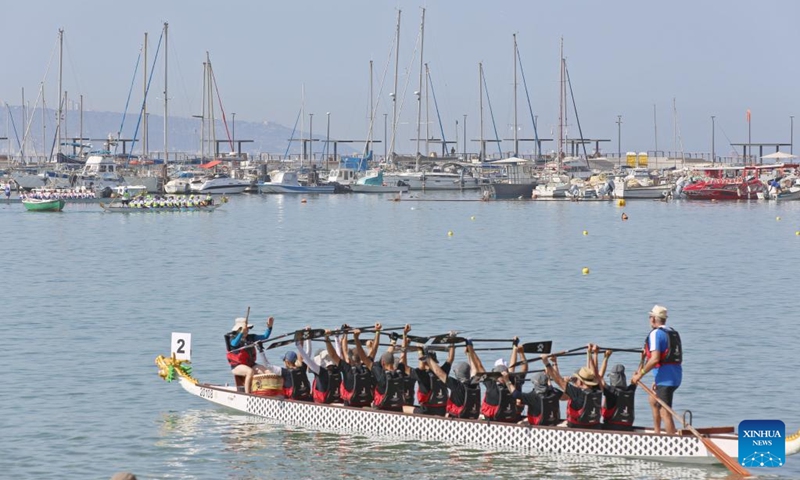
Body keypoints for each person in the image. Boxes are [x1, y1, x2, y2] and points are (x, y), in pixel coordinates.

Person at [632, 304, 682, 434]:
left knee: (665, 412)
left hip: (667, 379)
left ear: (654, 319)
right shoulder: (671, 331)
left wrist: (640, 374)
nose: (649, 320)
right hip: (674, 376)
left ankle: (673, 443)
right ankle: (657, 432)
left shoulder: (655, 334)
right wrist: (657, 379)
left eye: (650, 317)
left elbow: (654, 359)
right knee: (653, 399)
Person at [542, 348, 602, 429]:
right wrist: (591, 353)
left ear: (581, 382)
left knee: (555, 426)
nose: (574, 380)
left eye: (576, 379)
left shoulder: (577, 393)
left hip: (576, 427)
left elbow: (558, 381)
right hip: (594, 426)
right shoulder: (597, 389)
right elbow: (593, 373)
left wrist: (546, 362)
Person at [354, 325, 405, 411]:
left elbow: (364, 358)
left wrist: (356, 338)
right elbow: (387, 355)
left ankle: (392, 341)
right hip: (397, 409)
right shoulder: (399, 373)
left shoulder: (380, 374)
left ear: (383, 363)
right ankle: (393, 341)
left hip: (381, 410)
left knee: (362, 408)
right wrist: (378, 333)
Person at [224, 316, 274, 393]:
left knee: (268, 372)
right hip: (237, 367)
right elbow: (234, 344)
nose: (246, 331)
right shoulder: (232, 339)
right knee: (249, 372)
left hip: (250, 364)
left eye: (247, 329)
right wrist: (241, 333)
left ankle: (267, 392)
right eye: (244, 329)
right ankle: (248, 394)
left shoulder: (251, 337)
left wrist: (269, 328)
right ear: (238, 330)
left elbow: (265, 337)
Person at [595, 347, 636, 431]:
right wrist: (643, 359)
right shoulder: (630, 390)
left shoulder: (610, 391)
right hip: (628, 427)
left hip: (610, 427)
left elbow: (598, 377)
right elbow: (637, 376)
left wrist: (605, 358)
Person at [298, 329, 343, 404]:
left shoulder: (320, 371)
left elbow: (306, 357)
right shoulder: (339, 368)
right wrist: (336, 337)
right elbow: (337, 354)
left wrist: (306, 337)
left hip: (321, 403)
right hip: (335, 399)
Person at [336, 325, 375, 407]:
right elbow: (371, 354)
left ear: (350, 360)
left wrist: (345, 333)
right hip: (365, 402)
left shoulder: (349, 369)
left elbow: (345, 350)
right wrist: (370, 347)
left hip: (350, 405)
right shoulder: (367, 367)